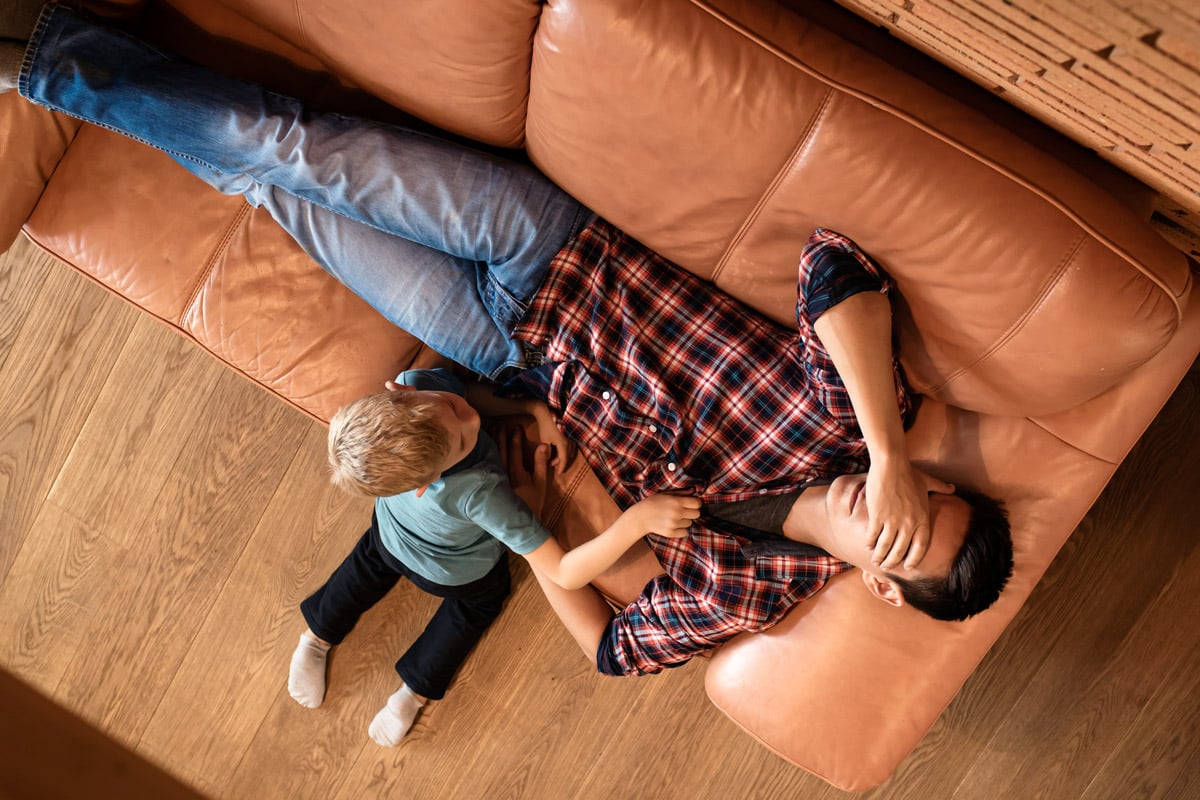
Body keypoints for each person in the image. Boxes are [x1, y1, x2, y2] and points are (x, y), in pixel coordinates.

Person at [2, 5, 1012, 678]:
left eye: (904, 537)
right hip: (552, 251)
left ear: (881, 582)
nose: (893, 512)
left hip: (496, 356)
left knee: (270, 191)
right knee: (293, 148)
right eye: (925, 501)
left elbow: (614, 651)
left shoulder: (745, 590)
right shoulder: (853, 416)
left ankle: (52, 54)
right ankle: (46, 60)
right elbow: (832, 267)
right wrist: (887, 453)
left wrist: (541, 525)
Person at [287, 367, 698, 745]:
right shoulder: (481, 492)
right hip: (454, 572)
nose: (470, 419)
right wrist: (636, 522)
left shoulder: (416, 384)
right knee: (474, 607)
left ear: (401, 391)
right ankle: (412, 692)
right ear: (426, 483)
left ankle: (316, 636)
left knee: (365, 565)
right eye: (462, 441)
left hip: (389, 533)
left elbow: (467, 394)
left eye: (449, 407)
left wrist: (533, 409)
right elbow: (563, 572)